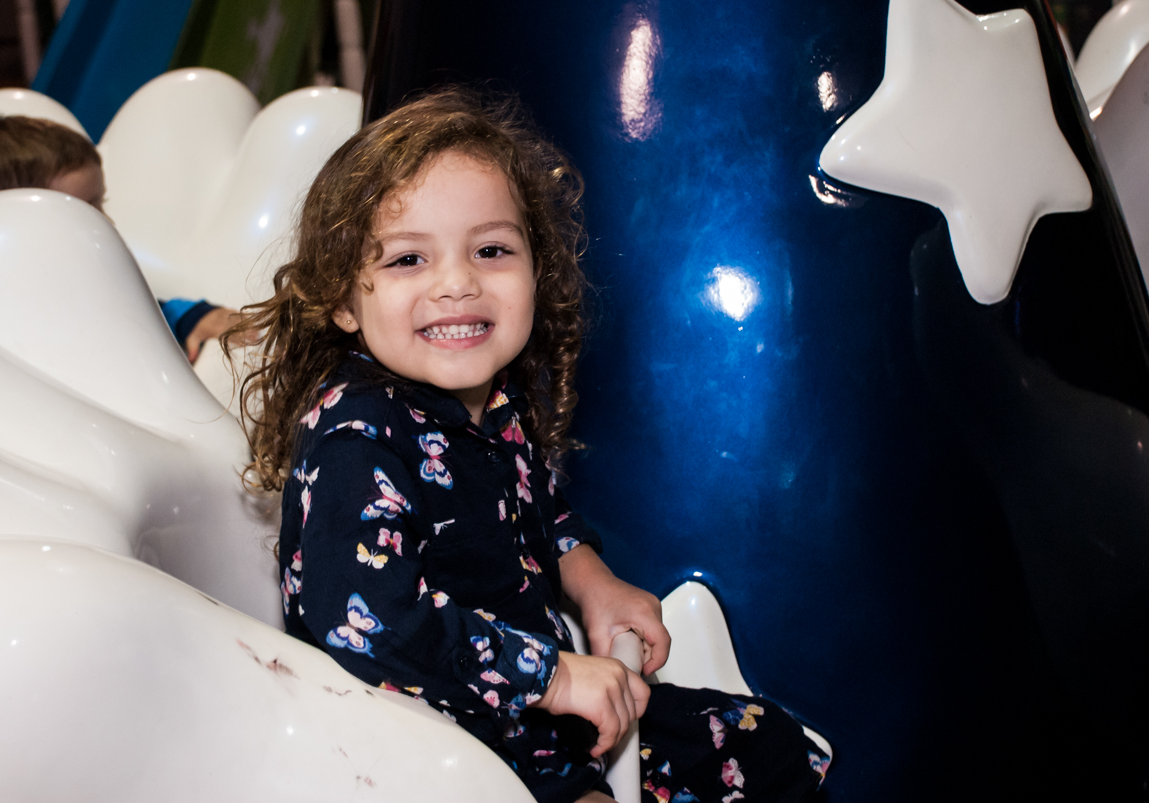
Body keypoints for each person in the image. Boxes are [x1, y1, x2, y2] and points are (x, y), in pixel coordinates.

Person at [230, 88, 830, 803]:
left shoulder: (494, 401)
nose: (457, 282)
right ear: (340, 300)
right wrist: (554, 675)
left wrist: (595, 587)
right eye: (406, 261)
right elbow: (369, 622)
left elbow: (542, 513)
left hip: (536, 710)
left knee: (768, 745)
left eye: (491, 249)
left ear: (535, 269)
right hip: (431, 743)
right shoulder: (357, 435)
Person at [0, 115, 237, 362]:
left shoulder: (92, 280)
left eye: (101, 204)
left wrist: (192, 318)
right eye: (85, 213)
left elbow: (143, 314)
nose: (106, 224)